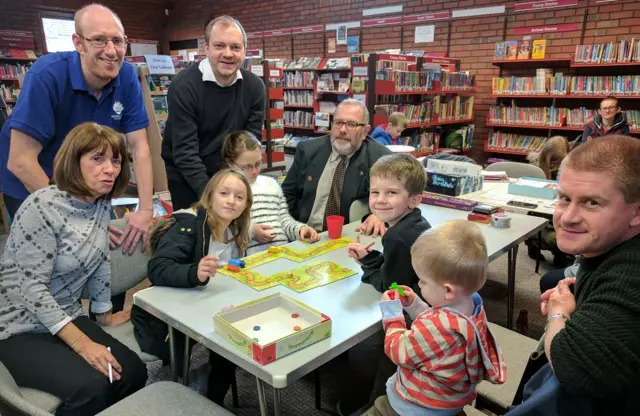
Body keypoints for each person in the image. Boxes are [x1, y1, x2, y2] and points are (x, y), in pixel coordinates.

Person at [0, 122, 147, 416]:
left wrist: (104, 314)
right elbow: (32, 290)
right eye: (97, 159)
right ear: (73, 162)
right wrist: (82, 343)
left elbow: (100, 260)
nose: (110, 169)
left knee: (132, 372)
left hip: (65, 314)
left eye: (115, 160)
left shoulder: (100, 204)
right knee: (92, 388)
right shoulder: (41, 207)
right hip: (17, 326)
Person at [0, 4, 154, 255]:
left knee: (105, 253)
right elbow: (20, 161)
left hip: (89, 180)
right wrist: (75, 219)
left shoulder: (126, 76)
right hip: (35, 180)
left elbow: (140, 146)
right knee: (57, 264)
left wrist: (145, 210)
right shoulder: (47, 75)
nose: (111, 51)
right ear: (79, 43)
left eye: (118, 41)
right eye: (99, 40)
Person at [518, 135, 640, 415]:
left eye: (592, 203)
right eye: (564, 198)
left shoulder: (631, 274)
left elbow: (575, 370)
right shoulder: (609, 246)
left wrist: (558, 314)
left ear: (636, 214)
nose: (567, 217)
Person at [131, 168, 252, 405]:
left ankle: (209, 387)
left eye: (239, 197)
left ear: (246, 205)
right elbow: (157, 268)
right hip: (168, 315)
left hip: (208, 304)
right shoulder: (188, 224)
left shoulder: (233, 228)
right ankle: (205, 396)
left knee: (237, 335)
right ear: (210, 196)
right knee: (231, 341)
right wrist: (193, 272)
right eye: (224, 193)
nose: (231, 201)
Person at [363, 220, 506, 416]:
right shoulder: (472, 306)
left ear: (447, 290)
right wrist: (415, 305)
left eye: (422, 280)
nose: (419, 284)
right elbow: (438, 328)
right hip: (449, 402)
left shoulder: (439, 327)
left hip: (416, 407)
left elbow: (398, 350)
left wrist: (392, 313)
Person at [162, 15, 265, 210]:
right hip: (188, 179)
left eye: (235, 47)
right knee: (196, 234)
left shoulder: (255, 87)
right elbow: (185, 153)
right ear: (206, 49)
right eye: (219, 46)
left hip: (233, 173)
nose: (228, 54)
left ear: (244, 51)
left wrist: (235, 188)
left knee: (235, 233)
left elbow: (251, 142)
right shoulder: (183, 87)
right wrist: (213, 196)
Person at [282, 99, 392, 236]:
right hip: (306, 235)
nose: (343, 130)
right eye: (338, 123)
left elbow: (392, 199)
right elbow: (286, 196)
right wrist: (293, 229)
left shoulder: (380, 158)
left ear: (365, 131)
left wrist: (378, 216)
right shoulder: (308, 150)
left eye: (351, 124)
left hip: (351, 238)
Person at [222, 130, 319, 254]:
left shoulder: (271, 184)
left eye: (258, 163)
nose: (254, 171)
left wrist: (299, 229)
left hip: (282, 254)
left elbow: (283, 219)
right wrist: (251, 231)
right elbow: (223, 229)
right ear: (230, 163)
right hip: (249, 262)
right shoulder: (224, 190)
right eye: (246, 166)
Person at [347, 153, 430, 295]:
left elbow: (391, 289)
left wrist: (366, 266)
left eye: (391, 192)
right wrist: (369, 257)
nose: (380, 200)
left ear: (414, 200)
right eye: (375, 192)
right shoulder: (417, 222)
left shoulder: (397, 236)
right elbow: (399, 264)